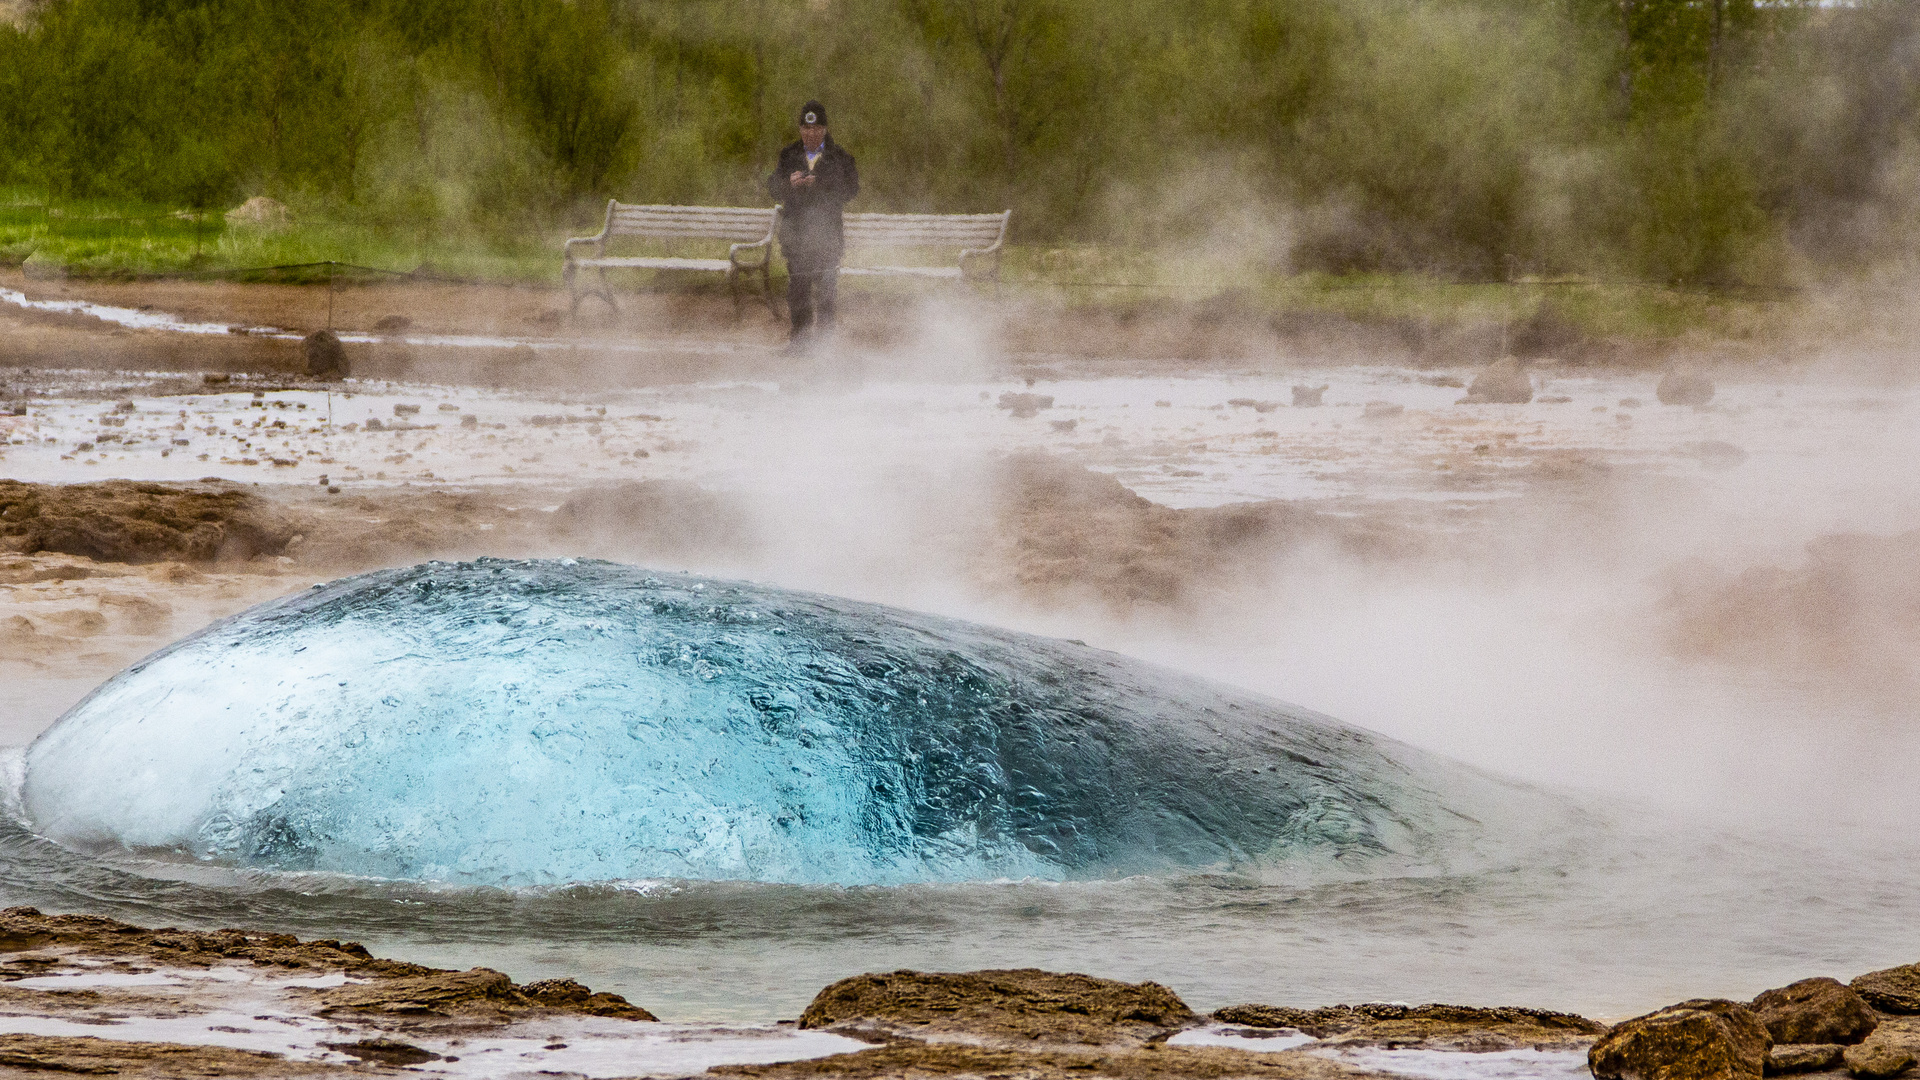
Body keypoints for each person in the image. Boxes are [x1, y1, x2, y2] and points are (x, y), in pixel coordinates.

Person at [766, 100, 859, 352]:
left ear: (825, 130)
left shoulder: (840, 158)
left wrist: (821, 183)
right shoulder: (788, 155)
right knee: (798, 290)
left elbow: (851, 189)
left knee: (827, 290)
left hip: (828, 236)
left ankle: (826, 346)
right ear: (800, 130)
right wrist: (789, 182)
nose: (811, 134)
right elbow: (772, 187)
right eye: (806, 129)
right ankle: (799, 342)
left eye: (817, 129)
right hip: (796, 237)